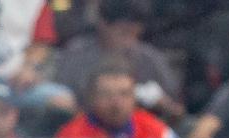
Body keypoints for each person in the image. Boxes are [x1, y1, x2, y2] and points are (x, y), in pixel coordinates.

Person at [52, 0, 184, 115]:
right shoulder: (76, 55)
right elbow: (59, 99)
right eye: (123, 33)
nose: (128, 42)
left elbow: (177, 109)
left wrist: (164, 105)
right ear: (103, 25)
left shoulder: (150, 59)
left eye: (134, 34)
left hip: (141, 132)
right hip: (84, 129)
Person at [54, 63, 179, 138]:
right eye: (106, 94)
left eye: (124, 94)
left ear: (134, 97)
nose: (116, 103)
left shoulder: (155, 129)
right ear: (91, 97)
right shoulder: (70, 137)